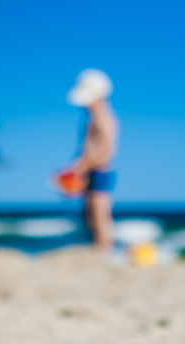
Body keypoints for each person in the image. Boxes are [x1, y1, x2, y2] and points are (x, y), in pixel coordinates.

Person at [64, 69, 118, 250]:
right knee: (90, 214)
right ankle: (97, 246)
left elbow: (104, 152)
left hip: (100, 171)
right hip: (91, 171)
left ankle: (104, 249)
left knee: (99, 215)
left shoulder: (103, 119)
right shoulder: (93, 119)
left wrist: (78, 167)